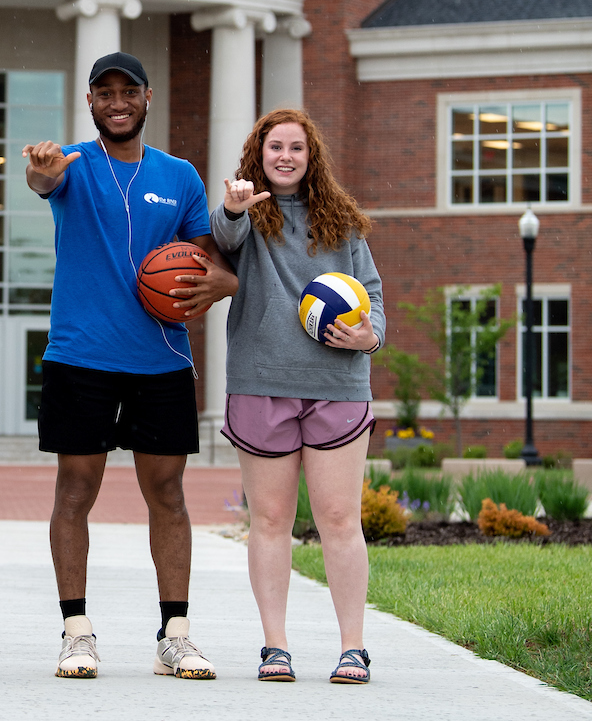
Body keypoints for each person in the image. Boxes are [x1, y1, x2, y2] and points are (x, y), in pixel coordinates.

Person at [22, 52, 237, 680]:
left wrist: (220, 287)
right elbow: (41, 183)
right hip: (80, 355)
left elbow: (206, 264)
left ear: (148, 99)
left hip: (160, 358)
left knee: (167, 493)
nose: (117, 101)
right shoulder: (69, 164)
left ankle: (176, 633)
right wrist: (38, 171)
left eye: (128, 91)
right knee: (75, 490)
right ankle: (76, 630)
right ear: (90, 102)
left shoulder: (180, 176)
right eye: (104, 92)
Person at [211, 108, 384, 685]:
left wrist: (369, 334)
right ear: (258, 155)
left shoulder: (343, 223)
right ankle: (275, 647)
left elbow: (374, 295)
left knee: (339, 520)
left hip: (337, 386)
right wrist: (236, 205)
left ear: (312, 158)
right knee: (270, 520)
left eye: (296, 149)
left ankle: (353, 648)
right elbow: (223, 239)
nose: (284, 157)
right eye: (274, 147)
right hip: (261, 383)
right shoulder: (246, 215)